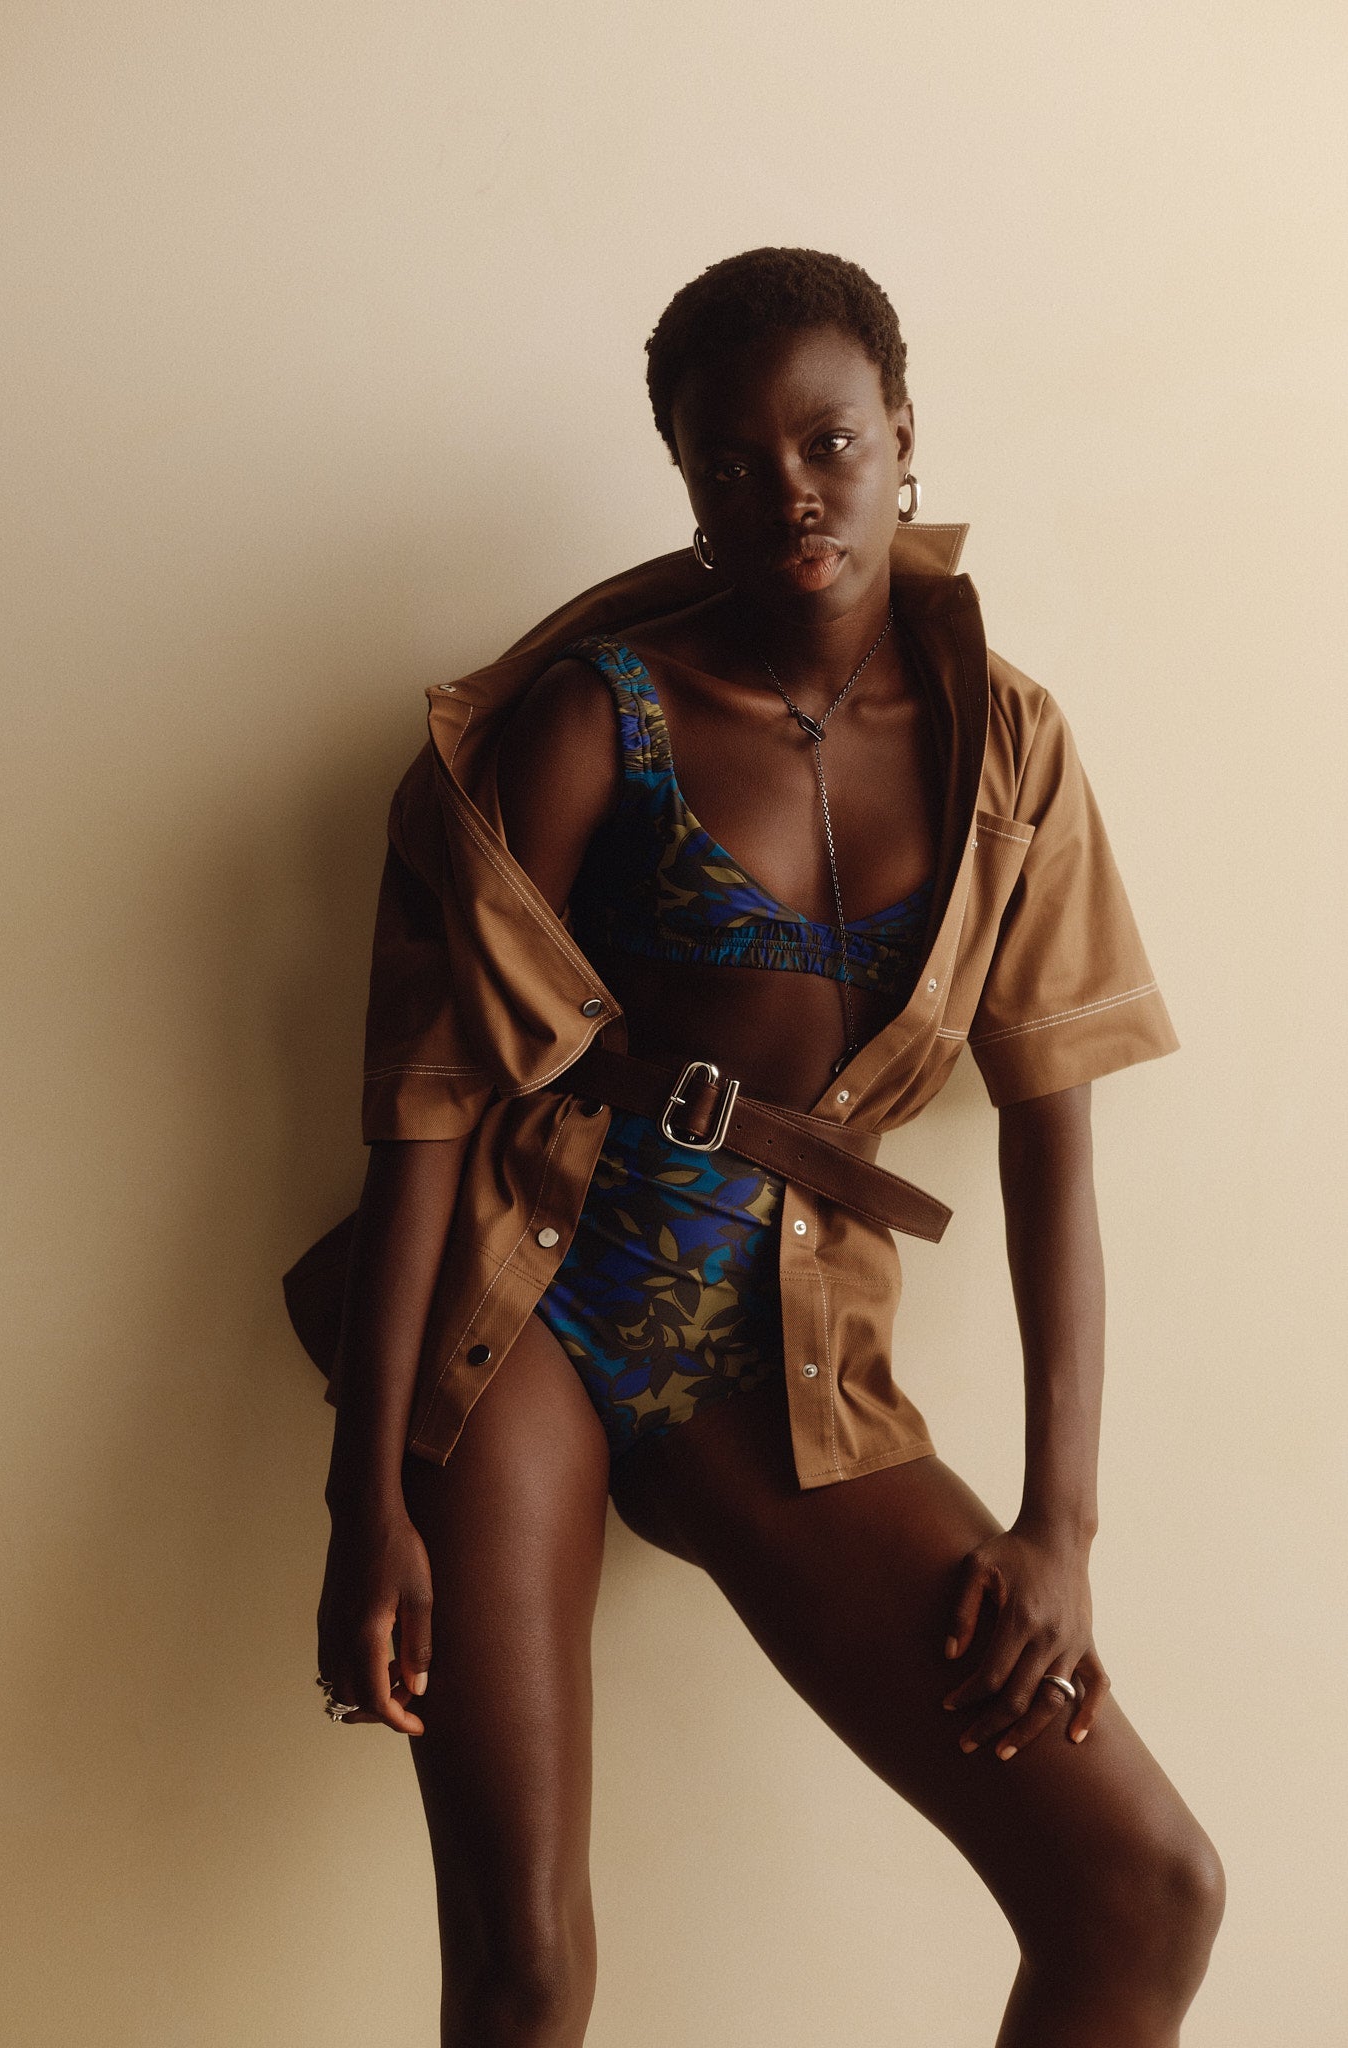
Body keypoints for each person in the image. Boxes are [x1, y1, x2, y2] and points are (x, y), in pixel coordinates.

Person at [307, 247, 1224, 2046]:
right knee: (525, 1969)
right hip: (528, 1310)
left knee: (1142, 1891)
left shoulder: (1007, 749)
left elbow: (1050, 1153)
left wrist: (1058, 1524)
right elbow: (427, 1107)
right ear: (683, 478)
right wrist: (366, 1505)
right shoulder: (600, 717)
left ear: (903, 435)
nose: (786, 491)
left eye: (826, 442)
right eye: (727, 462)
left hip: (780, 1356)